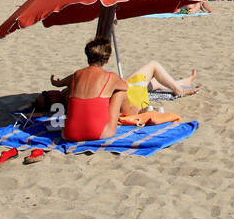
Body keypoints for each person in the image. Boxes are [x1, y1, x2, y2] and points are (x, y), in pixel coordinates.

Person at [48, 37, 198, 142]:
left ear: (87, 56)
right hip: (101, 132)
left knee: (142, 83)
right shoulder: (110, 77)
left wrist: (56, 83)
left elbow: (59, 83)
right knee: (121, 90)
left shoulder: (76, 75)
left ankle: (181, 82)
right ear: (107, 59)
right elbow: (125, 87)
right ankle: (176, 88)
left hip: (68, 134)